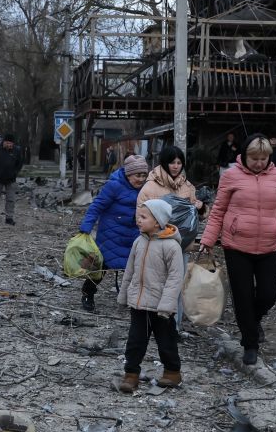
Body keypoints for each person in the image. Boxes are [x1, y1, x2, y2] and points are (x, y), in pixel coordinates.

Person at [200, 135, 276, 366]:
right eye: (254, 158)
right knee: (242, 296)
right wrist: (208, 239)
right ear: (244, 155)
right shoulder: (231, 176)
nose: (259, 163)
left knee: (269, 292)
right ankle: (250, 344)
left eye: (264, 158)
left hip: (269, 245)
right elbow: (219, 210)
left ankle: (254, 320)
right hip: (237, 246)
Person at [115, 199, 185, 393]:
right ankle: (131, 375)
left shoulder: (171, 246)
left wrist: (167, 304)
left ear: (158, 222)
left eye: (144, 217)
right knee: (135, 341)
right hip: (139, 304)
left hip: (161, 307)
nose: (139, 220)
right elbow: (129, 270)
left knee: (166, 341)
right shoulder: (139, 241)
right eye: (138, 216)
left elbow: (175, 278)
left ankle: (172, 372)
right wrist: (123, 296)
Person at [137, 146, 205, 329]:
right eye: (172, 162)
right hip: (156, 245)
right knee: (156, 284)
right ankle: (154, 324)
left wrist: (201, 208)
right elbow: (140, 215)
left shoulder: (187, 186)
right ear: (164, 163)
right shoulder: (151, 186)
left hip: (181, 245)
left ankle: (173, 326)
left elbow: (195, 216)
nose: (176, 166)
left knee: (177, 285)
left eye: (179, 163)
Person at [77, 155, 149, 312]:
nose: (141, 179)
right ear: (128, 174)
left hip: (134, 234)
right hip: (111, 234)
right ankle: (87, 293)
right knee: (101, 266)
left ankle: (135, 299)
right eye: (138, 175)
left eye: (144, 175)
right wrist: (86, 226)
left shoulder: (146, 189)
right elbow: (97, 206)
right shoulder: (114, 186)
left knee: (136, 268)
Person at [0, 133, 24, 225]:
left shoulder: (17, 151)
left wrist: (15, 172)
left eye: (11, 143)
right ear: (4, 142)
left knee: (11, 199)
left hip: (11, 179)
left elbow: (19, 163)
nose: (9, 145)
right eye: (7, 143)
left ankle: (9, 218)